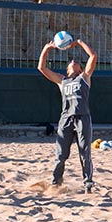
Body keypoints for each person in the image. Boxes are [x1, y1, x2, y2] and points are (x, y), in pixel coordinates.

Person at [38, 37, 98, 190]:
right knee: (61, 155)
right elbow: (41, 68)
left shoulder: (84, 78)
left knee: (85, 153)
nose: (72, 61)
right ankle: (56, 184)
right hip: (66, 119)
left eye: (76, 62)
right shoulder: (62, 81)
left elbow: (93, 56)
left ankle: (88, 184)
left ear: (80, 69)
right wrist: (46, 49)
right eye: (70, 62)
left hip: (82, 118)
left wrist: (79, 42)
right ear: (67, 70)